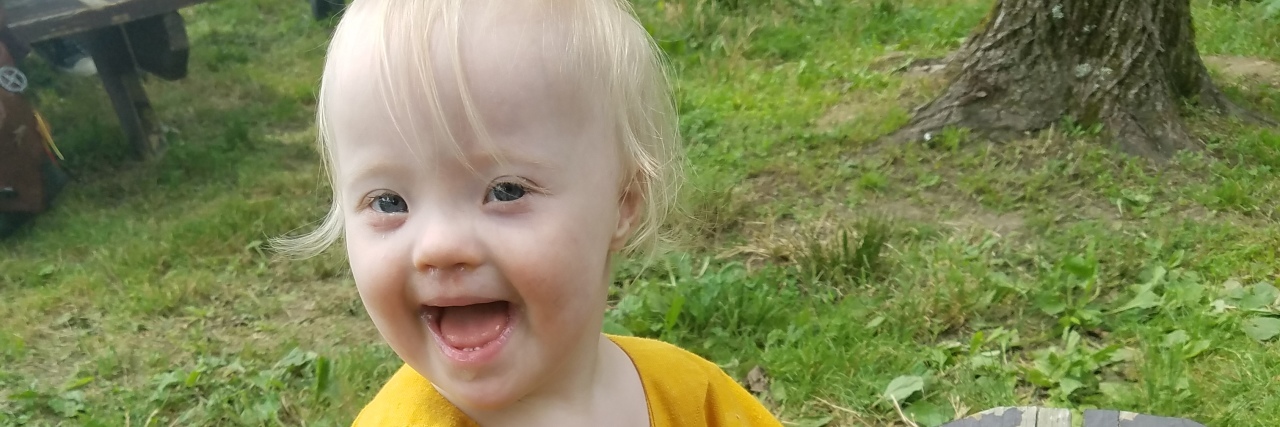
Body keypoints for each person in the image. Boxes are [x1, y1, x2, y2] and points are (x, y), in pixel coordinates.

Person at [274, 0, 784, 425]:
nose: (438, 245)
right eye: (389, 202)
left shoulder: (694, 399)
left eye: (506, 190)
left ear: (623, 201)